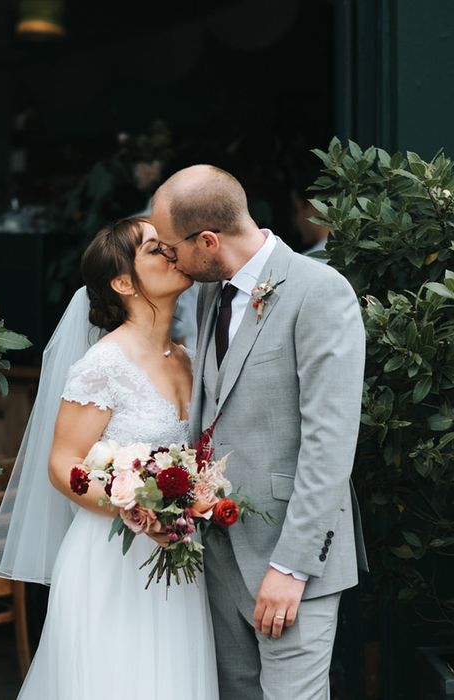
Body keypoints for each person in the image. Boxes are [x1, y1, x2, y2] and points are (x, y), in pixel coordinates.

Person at [150, 165, 368, 700]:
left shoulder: (320, 292)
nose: (167, 258)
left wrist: (292, 567)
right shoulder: (208, 294)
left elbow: (330, 444)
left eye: (170, 247)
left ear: (208, 240)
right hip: (218, 553)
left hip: (290, 561)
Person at [0, 217, 218, 699]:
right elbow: (62, 464)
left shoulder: (188, 358)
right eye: (156, 250)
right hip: (112, 560)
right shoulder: (104, 364)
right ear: (124, 282)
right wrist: (133, 507)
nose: (173, 254)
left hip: (174, 556)